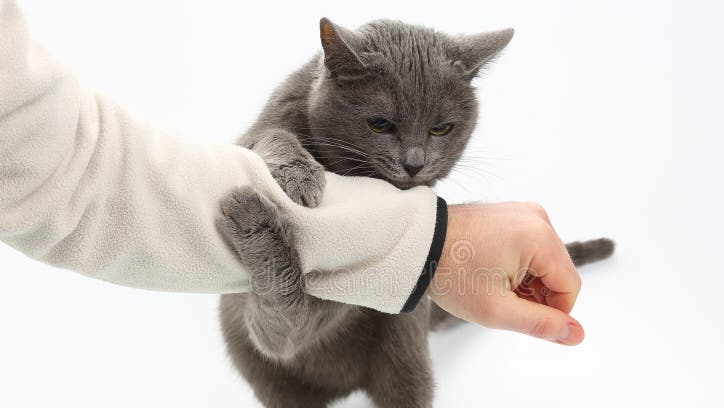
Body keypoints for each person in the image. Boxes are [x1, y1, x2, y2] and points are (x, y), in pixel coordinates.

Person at [0, 0, 583, 345]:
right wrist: (435, 242)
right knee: (251, 329)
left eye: (440, 131)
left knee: (404, 328)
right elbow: (56, 171)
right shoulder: (312, 95)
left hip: (366, 318)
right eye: (383, 125)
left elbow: (56, 162)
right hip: (284, 326)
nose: (414, 161)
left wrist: (435, 248)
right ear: (335, 70)